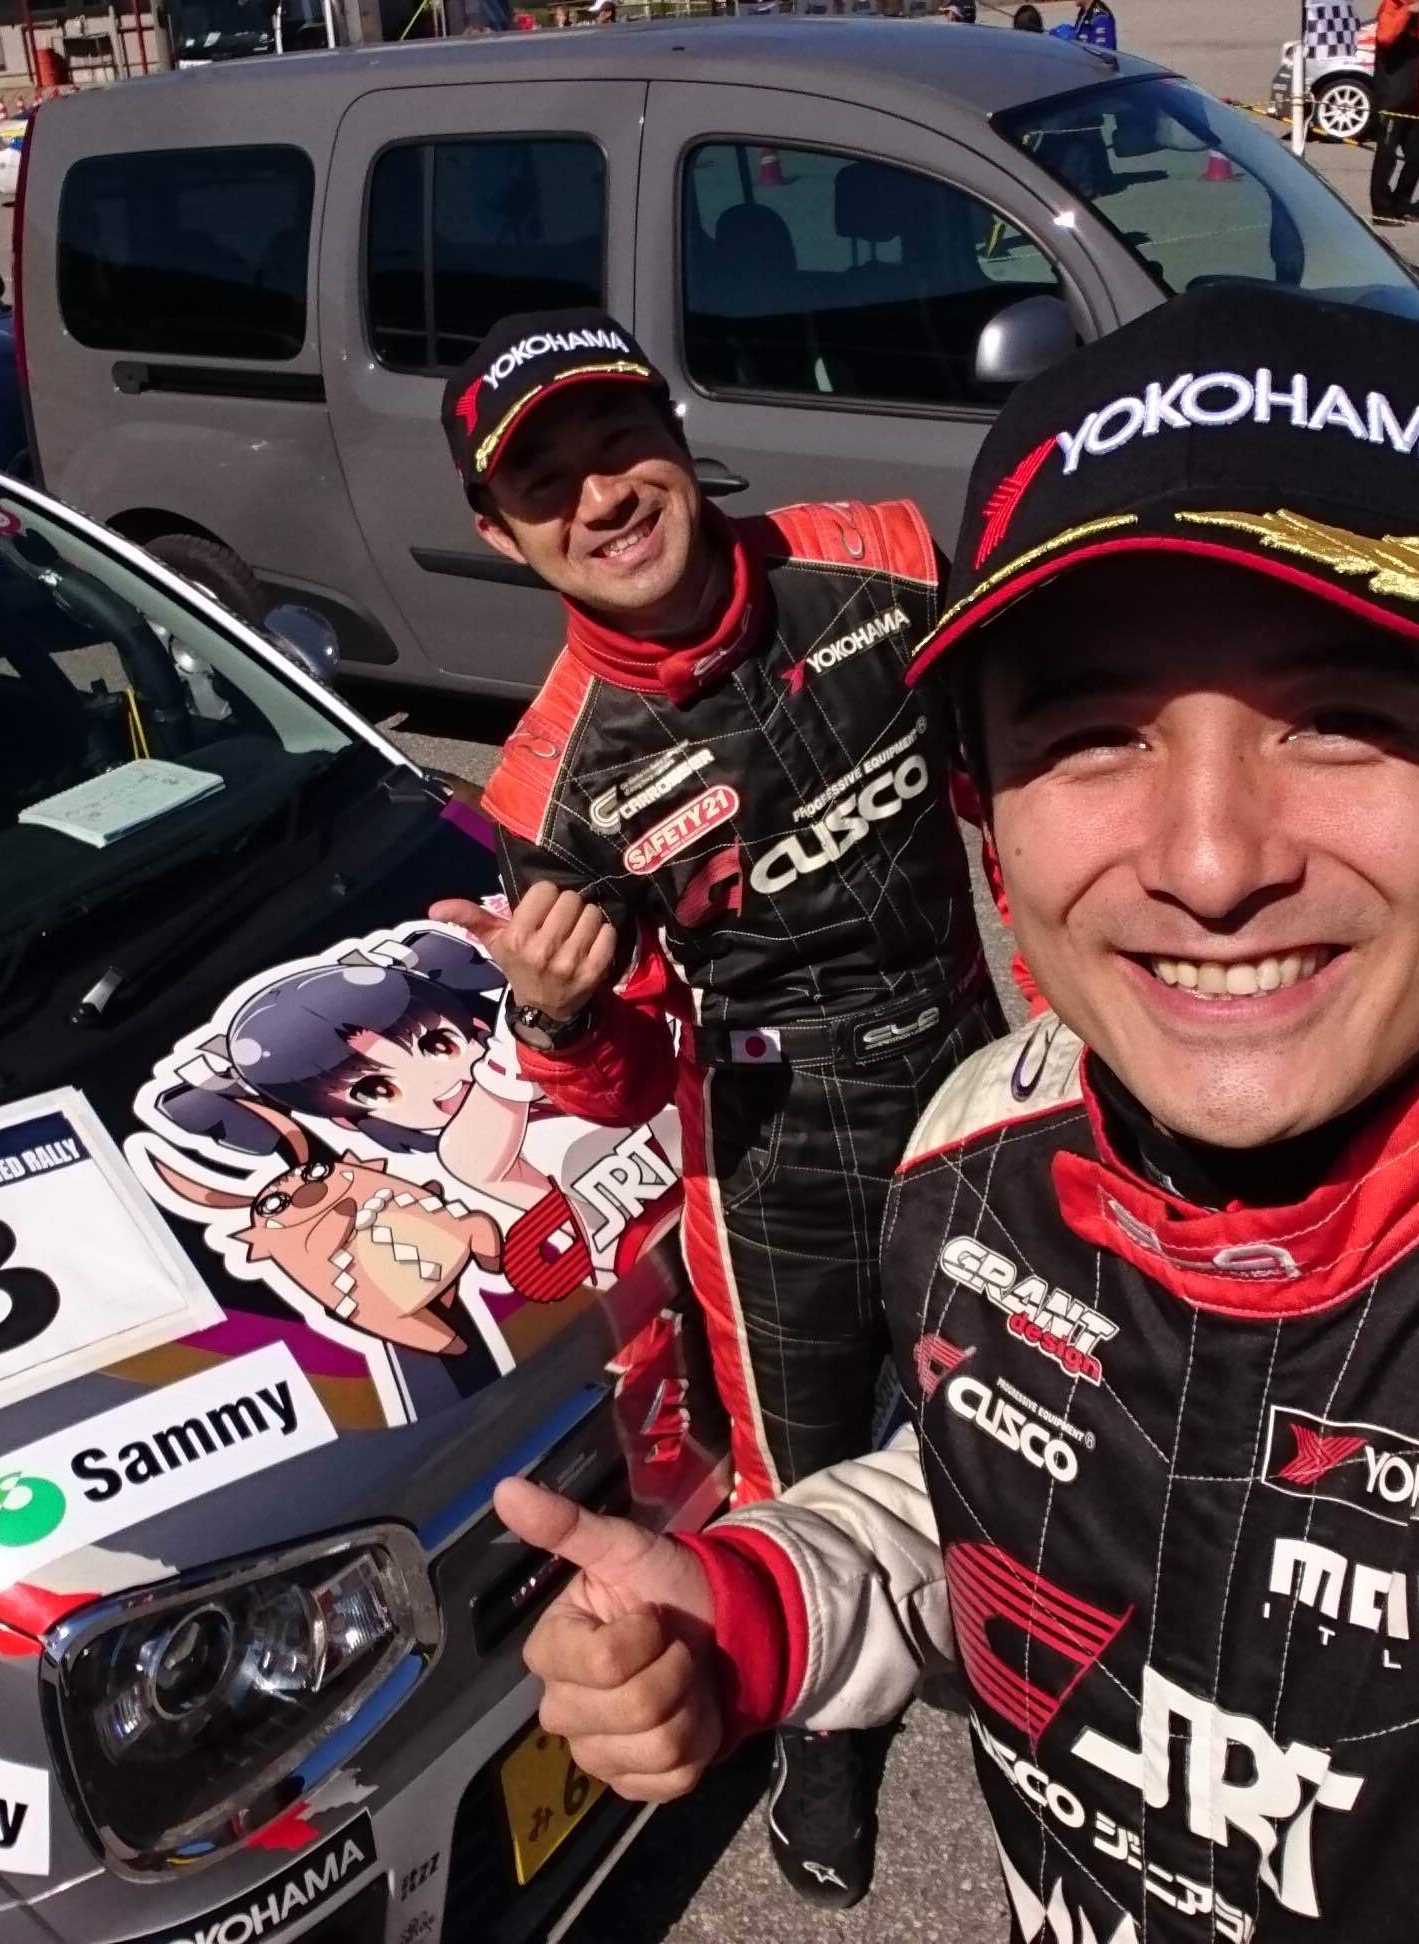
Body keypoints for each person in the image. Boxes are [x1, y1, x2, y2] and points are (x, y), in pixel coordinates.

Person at [496, 285, 1419, 1939]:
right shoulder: (982, 1151)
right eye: (1094, 734)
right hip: (792, 1149)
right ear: (985, 793)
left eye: (1341, 719)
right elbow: (988, 1479)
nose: (1208, 860)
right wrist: (765, 1599)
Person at [423, 308, 1006, 1908]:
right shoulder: (550, 785)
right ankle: (824, 1758)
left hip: (974, 1082)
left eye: (617, 441)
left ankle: (1039, 1692)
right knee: (800, 1493)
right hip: (773, 1166)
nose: (601, 496)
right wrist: (553, 1012)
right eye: (545, 484)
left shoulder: (881, 562)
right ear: (503, 535)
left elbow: (1013, 792)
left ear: (674, 433)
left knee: (1028, 1418)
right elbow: (608, 1082)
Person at [1369, 0, 1419, 219]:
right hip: (1390, 101)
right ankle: (1382, 209)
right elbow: (1386, 37)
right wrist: (1407, 11)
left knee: (1417, 156)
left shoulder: (1417, 13)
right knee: (1387, 156)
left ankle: (1402, 203)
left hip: (1412, 102)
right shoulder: (1391, 7)